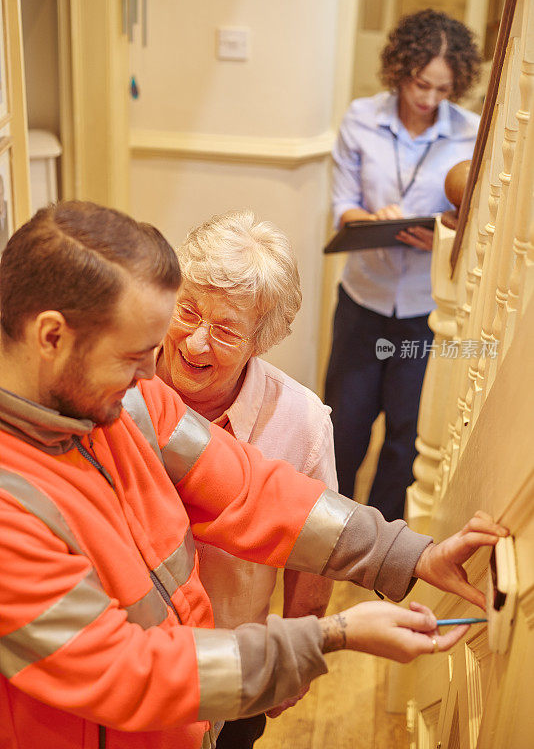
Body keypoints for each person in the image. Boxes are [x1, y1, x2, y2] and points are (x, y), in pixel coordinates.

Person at [0, 201, 507, 749]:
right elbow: (126, 671)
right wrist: (328, 636)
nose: (153, 373)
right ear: (51, 337)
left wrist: (411, 555)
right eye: (131, 356)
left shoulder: (126, 398)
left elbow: (251, 490)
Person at [156, 210, 338, 748]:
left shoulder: (301, 422)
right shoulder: (121, 379)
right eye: (187, 311)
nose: (195, 343)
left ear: (261, 340)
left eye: (227, 330)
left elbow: (316, 549)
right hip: (127, 660)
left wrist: (296, 651)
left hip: (232, 666)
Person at [325, 9, 482, 519]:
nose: (430, 98)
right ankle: (335, 531)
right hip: (363, 299)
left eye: (443, 89)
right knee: (345, 426)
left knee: (406, 435)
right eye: (421, 84)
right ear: (401, 70)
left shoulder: (470, 133)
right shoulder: (361, 118)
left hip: (424, 308)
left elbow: (476, 218)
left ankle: (383, 545)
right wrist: (372, 218)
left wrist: (442, 233)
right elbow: (342, 206)